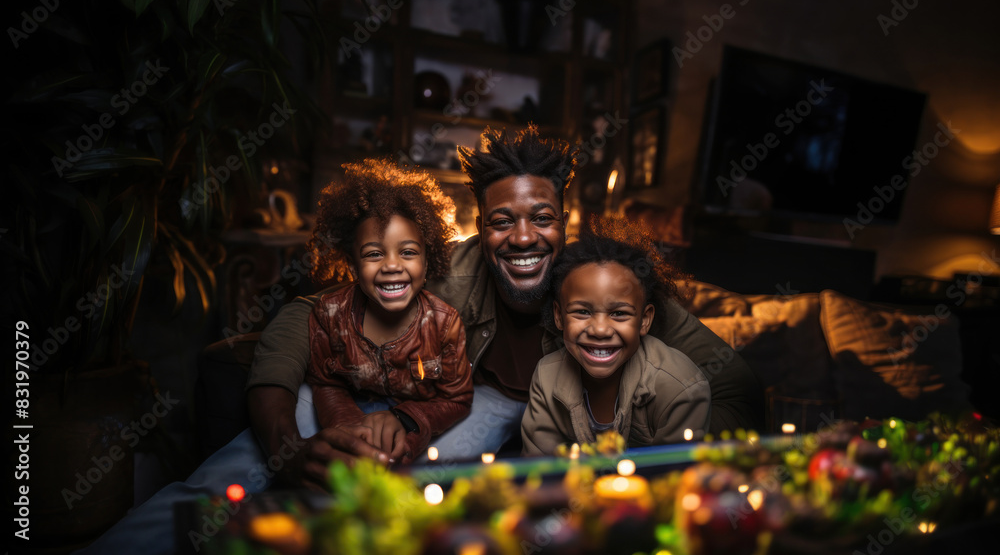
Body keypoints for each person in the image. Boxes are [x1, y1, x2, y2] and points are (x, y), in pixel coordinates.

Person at [77, 126, 762, 554]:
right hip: (415, 389)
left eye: (541, 218)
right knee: (226, 478)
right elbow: (309, 318)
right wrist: (287, 441)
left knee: (360, 511)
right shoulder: (450, 266)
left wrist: (658, 448)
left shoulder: (611, 287)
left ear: (564, 218)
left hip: (500, 415)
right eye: (502, 221)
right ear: (481, 225)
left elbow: (732, 383)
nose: (523, 238)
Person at [305, 158, 473, 464]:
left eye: (408, 252)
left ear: (427, 259)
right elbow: (325, 383)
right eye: (373, 254)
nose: (393, 266)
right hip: (348, 414)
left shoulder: (444, 323)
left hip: (413, 423)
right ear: (353, 263)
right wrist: (349, 427)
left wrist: (407, 420)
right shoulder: (329, 314)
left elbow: (457, 398)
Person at [521, 218, 710, 456]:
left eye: (619, 313)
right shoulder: (547, 376)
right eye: (582, 312)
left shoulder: (680, 386)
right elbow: (539, 471)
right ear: (559, 316)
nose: (600, 330)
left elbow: (673, 477)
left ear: (644, 320)